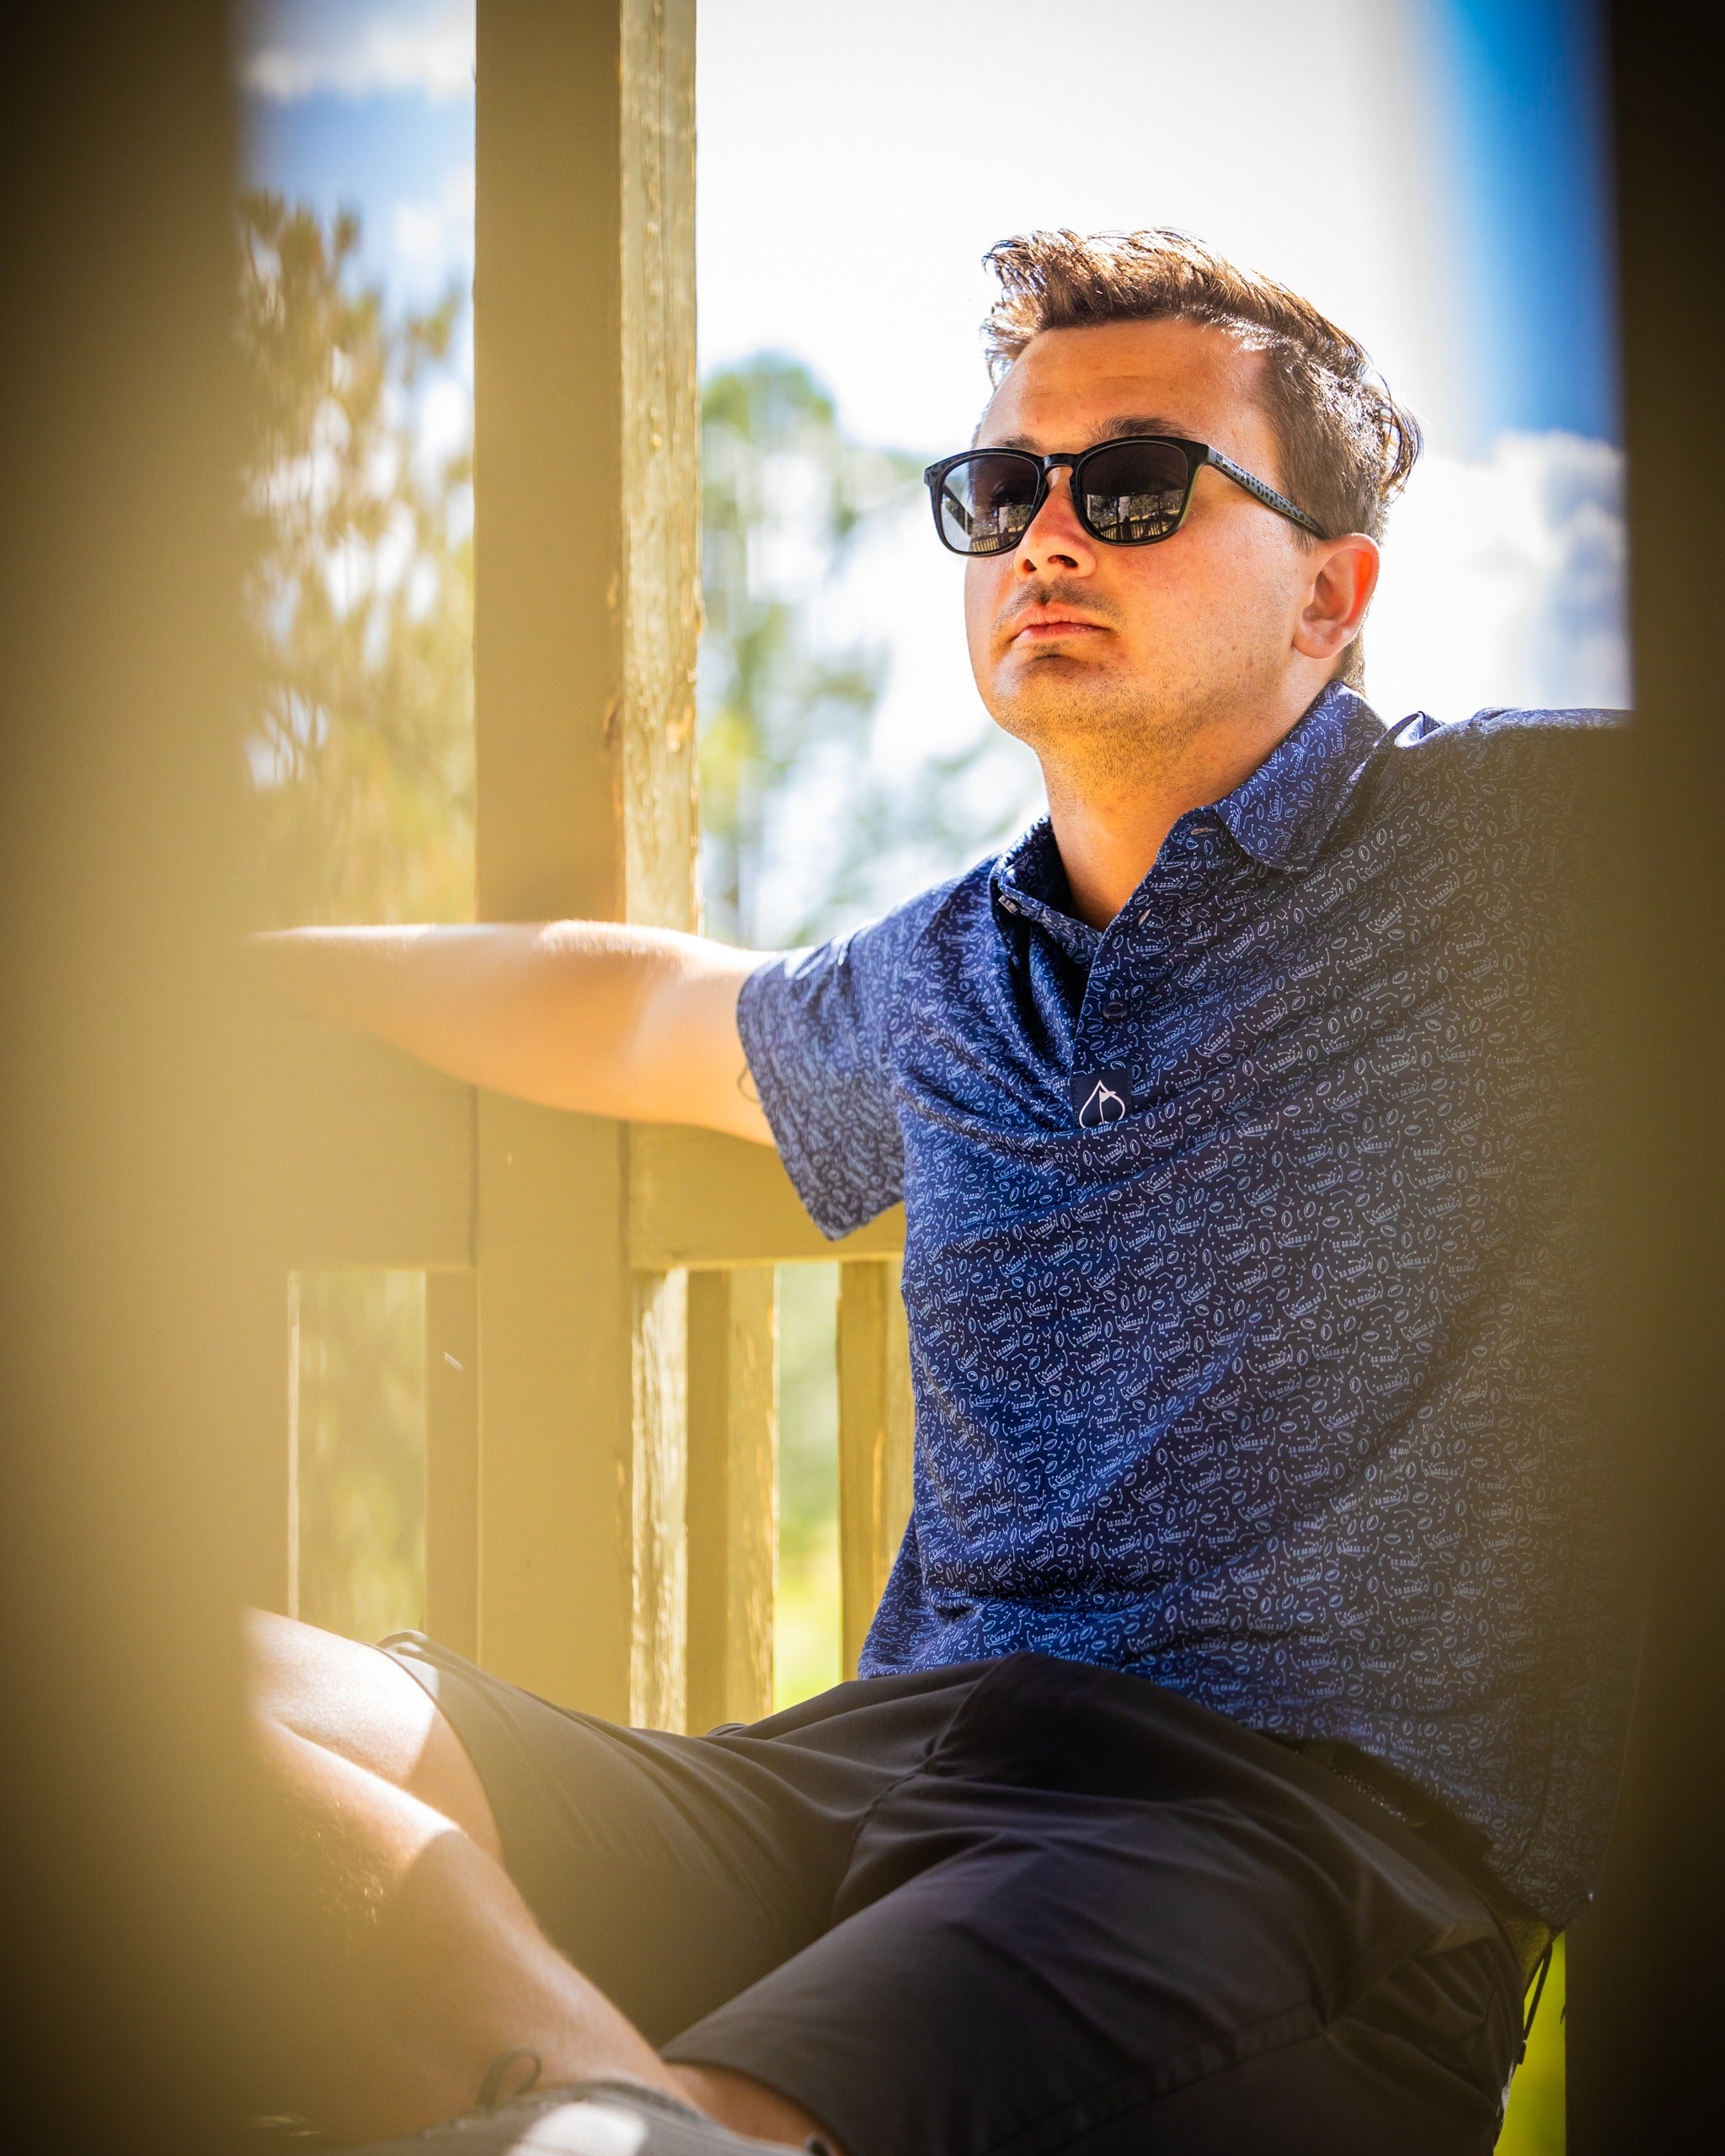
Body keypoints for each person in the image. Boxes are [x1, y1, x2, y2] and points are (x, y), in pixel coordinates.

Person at [251, 231, 1628, 2156]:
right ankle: (613, 2109)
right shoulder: (950, 972)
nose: (1047, 537)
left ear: (1332, 591)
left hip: (1286, 1844)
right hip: (866, 1784)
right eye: (1000, 492)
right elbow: (637, 1001)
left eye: (1134, 486)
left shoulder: (1535, 860)